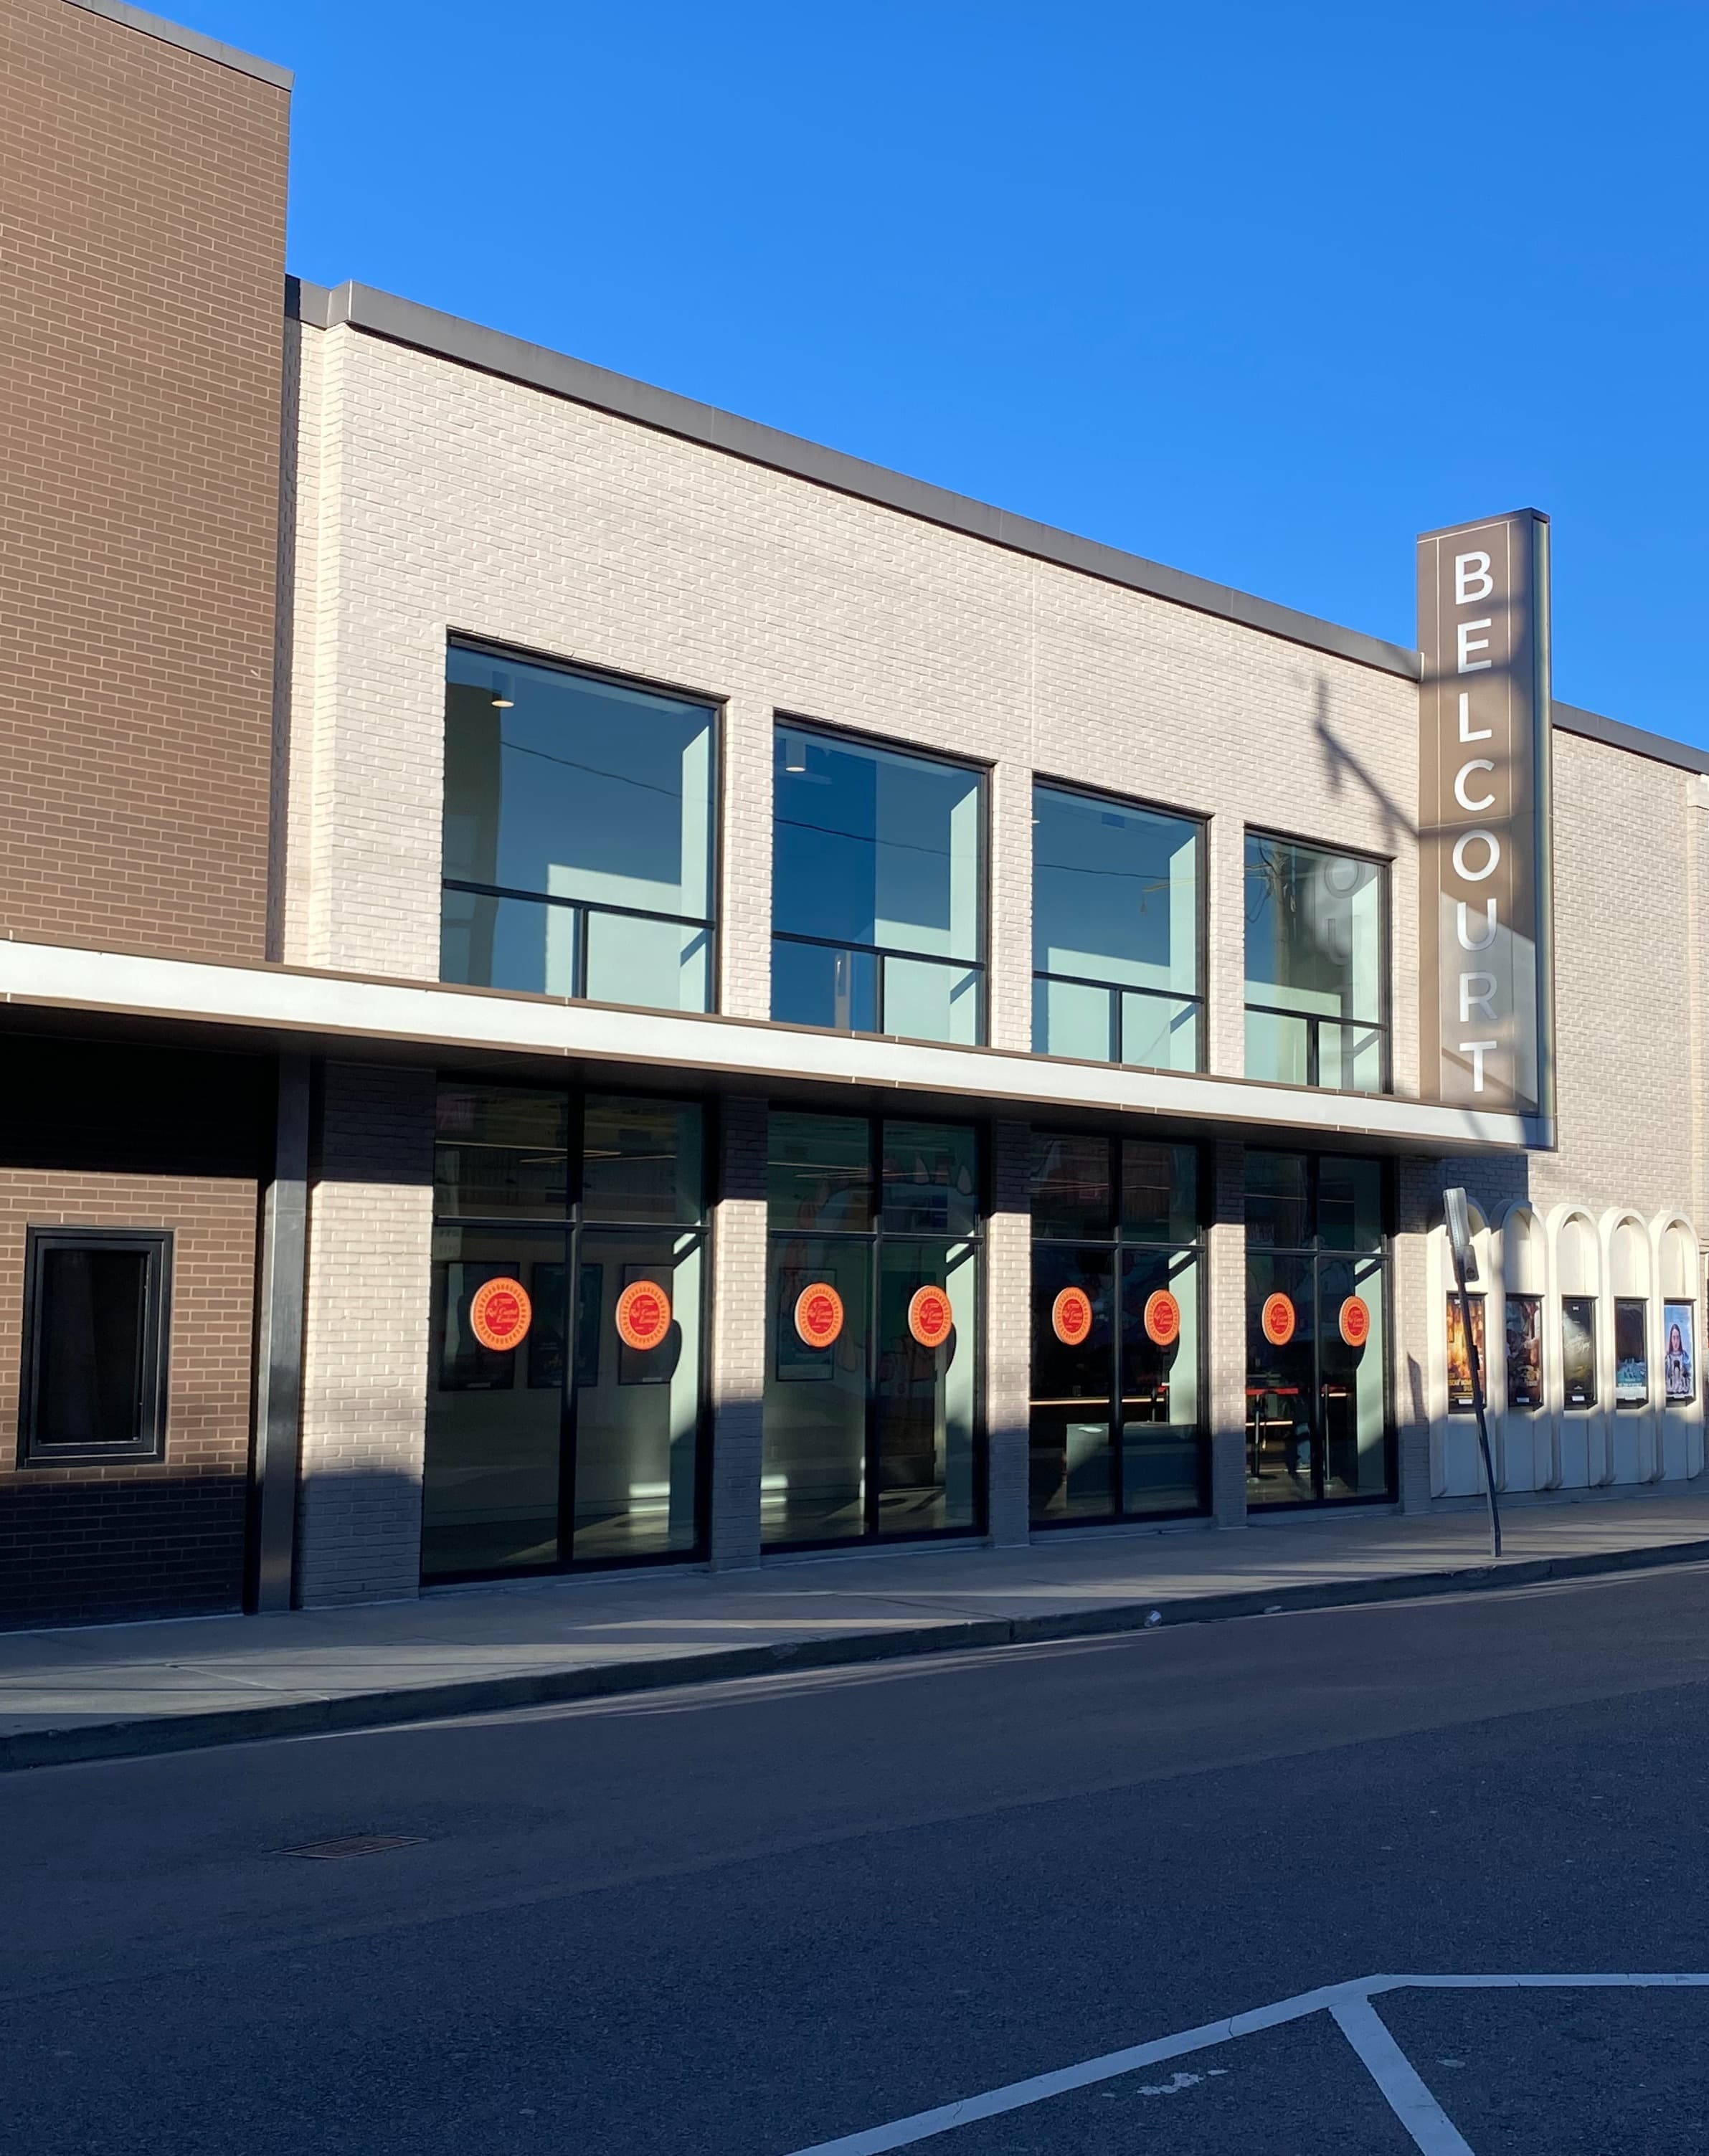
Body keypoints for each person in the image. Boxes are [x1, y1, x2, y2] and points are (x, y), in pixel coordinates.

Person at [1665, 1321, 1692, 1402]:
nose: (1676, 1341)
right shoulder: (1668, 1358)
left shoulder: (1685, 1356)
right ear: (1671, 1339)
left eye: (1678, 1337)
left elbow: (1691, 1374)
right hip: (1670, 1396)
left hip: (1684, 1395)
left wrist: (1685, 1373)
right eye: (1674, 1338)